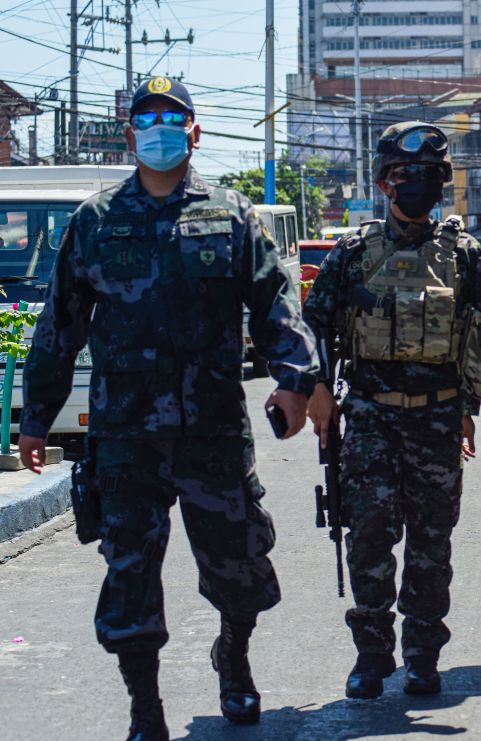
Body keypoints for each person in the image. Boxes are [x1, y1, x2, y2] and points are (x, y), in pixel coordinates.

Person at [18, 78, 320, 741]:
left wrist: (296, 378)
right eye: (146, 117)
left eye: (173, 117)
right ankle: (144, 708)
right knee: (130, 572)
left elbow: (275, 303)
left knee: (239, 564)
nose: (160, 127)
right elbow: (58, 325)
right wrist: (35, 416)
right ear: (129, 135)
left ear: (194, 132)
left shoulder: (231, 216)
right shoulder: (96, 221)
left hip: (212, 428)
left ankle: (233, 655)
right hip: (126, 436)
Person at [302, 122, 481, 699]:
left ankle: (423, 654)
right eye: (402, 175)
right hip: (369, 419)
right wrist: (314, 387)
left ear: (441, 185)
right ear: (385, 184)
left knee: (432, 544)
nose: (414, 185)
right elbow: (309, 327)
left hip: (436, 421)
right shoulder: (353, 254)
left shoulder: (464, 255)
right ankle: (372, 655)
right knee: (368, 539)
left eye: (426, 176)